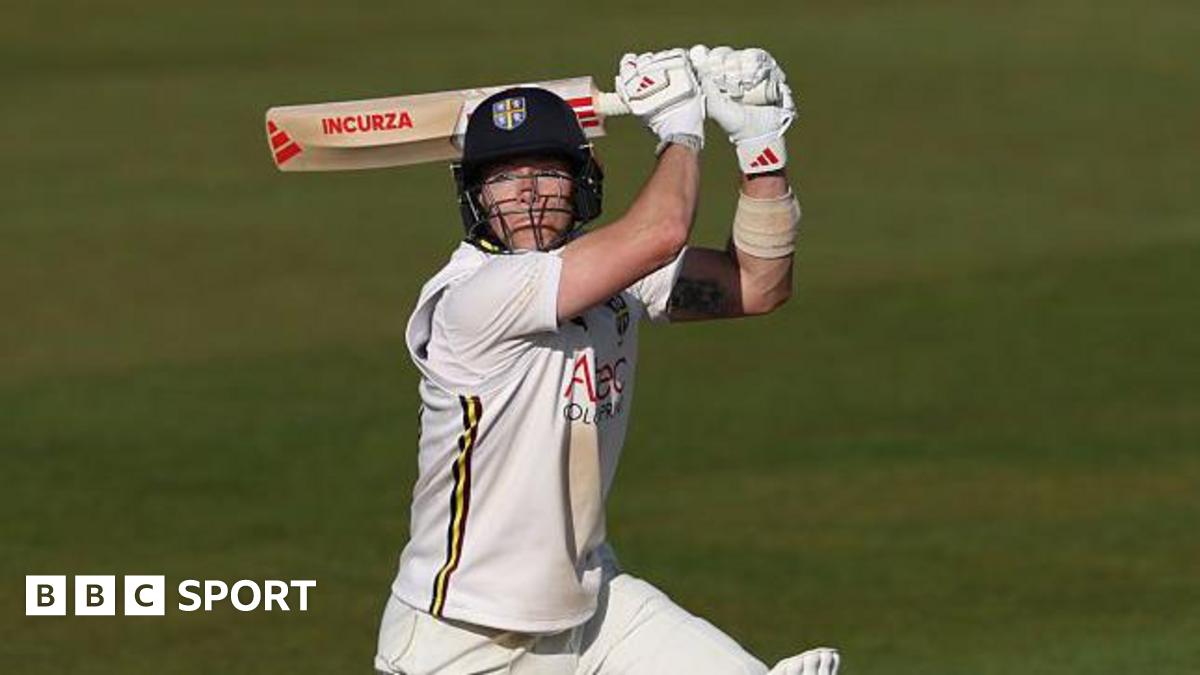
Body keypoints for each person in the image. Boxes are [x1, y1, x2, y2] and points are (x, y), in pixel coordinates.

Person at [374, 46, 839, 675]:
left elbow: (759, 285)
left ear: (582, 182)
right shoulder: (473, 298)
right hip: (463, 638)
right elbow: (660, 232)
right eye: (505, 178)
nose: (529, 195)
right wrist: (678, 127)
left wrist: (761, 150)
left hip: (595, 611)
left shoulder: (609, 275)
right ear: (476, 195)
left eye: (547, 173)